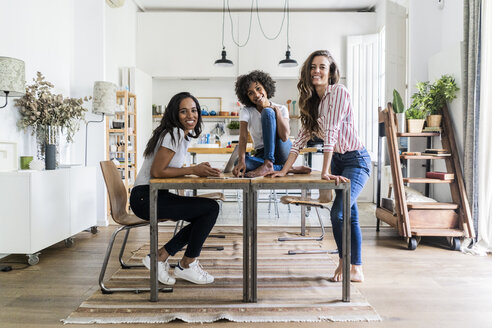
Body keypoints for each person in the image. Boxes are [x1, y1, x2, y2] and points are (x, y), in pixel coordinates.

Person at [269, 50, 371, 283]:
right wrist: (284, 170)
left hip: (356, 160)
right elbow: (301, 138)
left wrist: (325, 171)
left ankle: (345, 263)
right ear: (308, 71)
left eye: (322, 67)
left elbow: (332, 132)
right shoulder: (310, 101)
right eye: (313, 67)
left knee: (339, 212)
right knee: (350, 214)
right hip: (337, 160)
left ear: (331, 72)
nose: (317, 71)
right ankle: (356, 267)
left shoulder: (339, 93)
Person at [129, 92, 221, 285]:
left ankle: (163, 256)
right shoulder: (174, 133)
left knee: (207, 211)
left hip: (153, 195)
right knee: (211, 209)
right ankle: (184, 264)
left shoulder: (180, 135)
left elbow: (171, 170)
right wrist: (193, 169)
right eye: (184, 111)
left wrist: (195, 170)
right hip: (146, 198)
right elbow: (158, 171)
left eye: (194, 110)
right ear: (174, 114)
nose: (191, 116)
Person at [232, 70, 310, 178]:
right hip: (261, 153)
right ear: (247, 97)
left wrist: (276, 111)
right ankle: (287, 168)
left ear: (265, 87)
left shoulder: (282, 108)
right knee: (239, 163)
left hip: (281, 149)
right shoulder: (246, 111)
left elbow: (284, 136)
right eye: (251, 93)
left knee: (267, 112)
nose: (256, 94)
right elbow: (243, 137)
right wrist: (241, 160)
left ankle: (269, 164)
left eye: (258, 88)